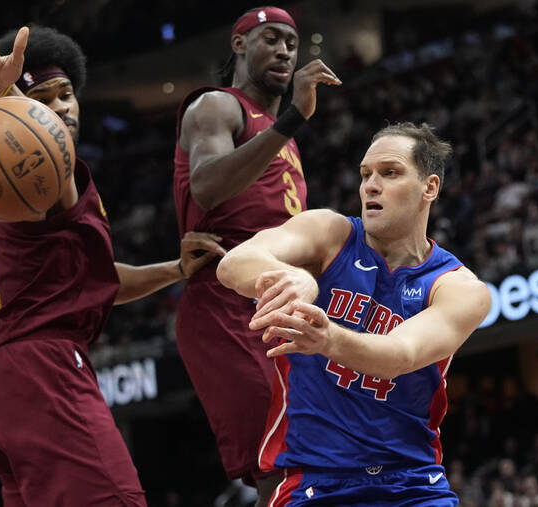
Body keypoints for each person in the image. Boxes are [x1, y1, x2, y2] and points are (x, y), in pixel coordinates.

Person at [0, 26, 225, 506]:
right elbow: (31, 139)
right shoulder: (38, 171)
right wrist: (7, 95)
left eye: (66, 94)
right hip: (40, 370)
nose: (61, 108)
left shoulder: (43, 187)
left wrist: (175, 270)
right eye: (43, 100)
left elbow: (94, 283)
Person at [216, 122, 492, 506]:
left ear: (429, 188)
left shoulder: (459, 287)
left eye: (389, 173)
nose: (371, 186)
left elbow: (400, 356)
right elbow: (234, 263)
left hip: (412, 483)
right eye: (365, 175)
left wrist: (328, 338)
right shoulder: (330, 234)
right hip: (314, 481)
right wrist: (293, 276)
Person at [172, 6, 341, 505]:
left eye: (292, 42)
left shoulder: (277, 135)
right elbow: (206, 187)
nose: (285, 50)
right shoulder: (217, 106)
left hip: (283, 301)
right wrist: (294, 119)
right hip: (227, 303)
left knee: (317, 460)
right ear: (239, 44)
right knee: (278, 463)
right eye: (271, 38)